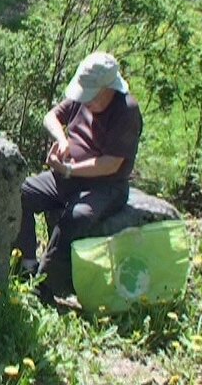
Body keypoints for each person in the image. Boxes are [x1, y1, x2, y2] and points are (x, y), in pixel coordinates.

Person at [16, 52, 143, 300]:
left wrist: (70, 169)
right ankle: (27, 264)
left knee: (76, 216)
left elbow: (111, 164)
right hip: (67, 176)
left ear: (109, 88)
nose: (88, 101)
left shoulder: (126, 110)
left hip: (105, 186)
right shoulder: (82, 99)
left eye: (93, 96)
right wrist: (62, 139)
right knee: (23, 193)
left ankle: (46, 283)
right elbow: (51, 116)